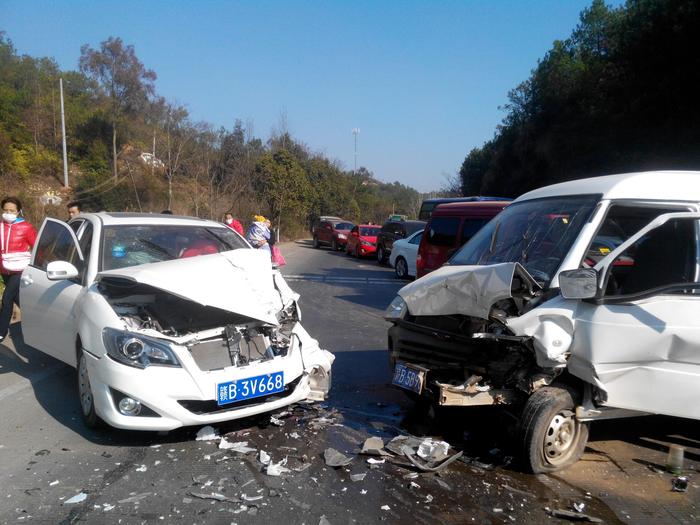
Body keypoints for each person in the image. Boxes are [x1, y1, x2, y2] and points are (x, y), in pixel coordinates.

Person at [0, 197, 37, 343]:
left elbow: (36, 246)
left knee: (7, 297)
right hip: (4, 269)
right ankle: (37, 320)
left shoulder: (26, 227)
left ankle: (2, 331)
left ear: (18, 211)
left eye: (12, 210)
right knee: (17, 298)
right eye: (5, 210)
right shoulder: (0, 226)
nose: (8, 213)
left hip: (20, 269)